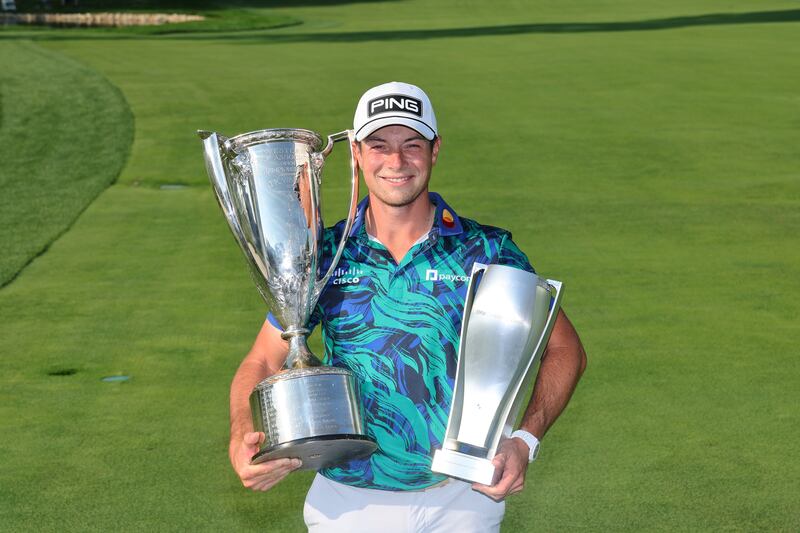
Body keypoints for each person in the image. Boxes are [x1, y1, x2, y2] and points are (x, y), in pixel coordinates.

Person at [228, 81, 587, 532]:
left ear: (435, 151)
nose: (396, 162)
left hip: (462, 497)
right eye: (379, 145)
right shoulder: (324, 253)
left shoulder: (485, 249)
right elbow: (263, 359)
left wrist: (524, 441)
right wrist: (242, 436)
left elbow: (565, 349)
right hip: (348, 501)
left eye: (412, 145)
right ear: (357, 154)